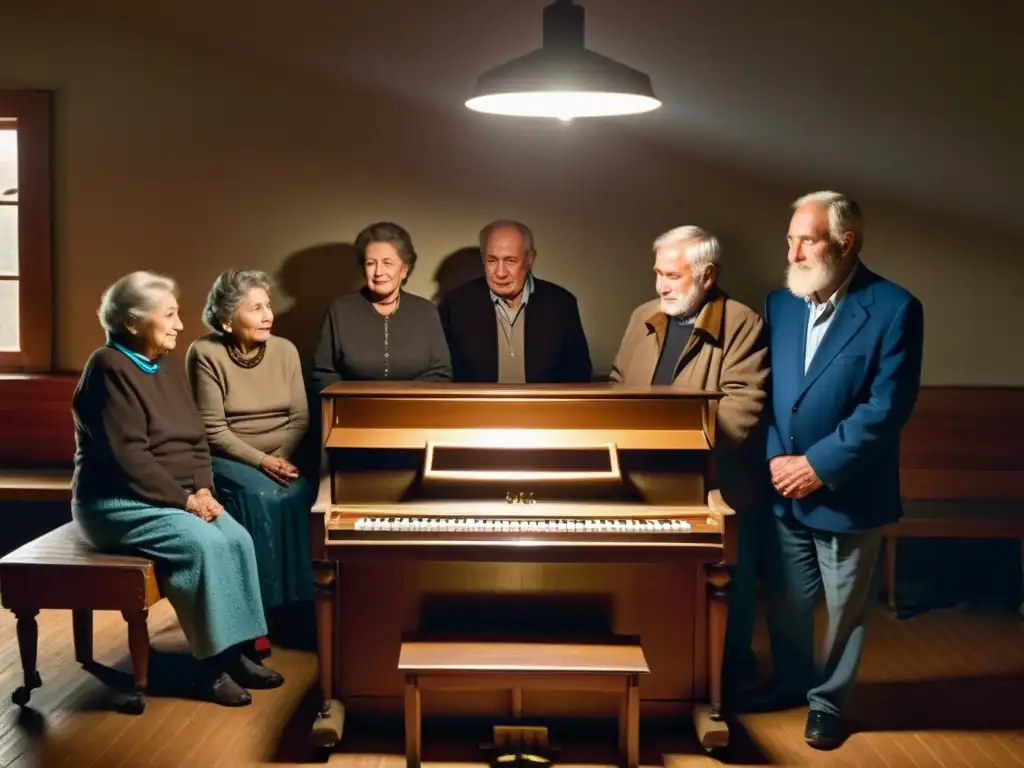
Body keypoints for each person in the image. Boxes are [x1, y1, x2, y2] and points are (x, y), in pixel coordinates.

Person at [748, 191, 924, 750]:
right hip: (782, 485)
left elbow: (885, 408)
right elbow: (767, 392)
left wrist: (817, 467)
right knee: (788, 603)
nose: (793, 250)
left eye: (807, 239)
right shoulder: (779, 304)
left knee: (846, 611)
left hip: (848, 490)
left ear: (845, 244)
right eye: (790, 239)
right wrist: (777, 457)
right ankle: (792, 682)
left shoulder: (895, 308)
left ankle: (827, 703)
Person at [71, 270, 284, 707]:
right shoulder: (108, 368)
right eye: (168, 315)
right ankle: (210, 670)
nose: (179, 325)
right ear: (132, 322)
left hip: (174, 496)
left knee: (238, 538)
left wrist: (204, 490)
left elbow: (196, 440)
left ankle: (237, 651)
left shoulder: (164, 366)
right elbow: (129, 460)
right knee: (204, 544)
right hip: (116, 503)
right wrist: (186, 500)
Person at [609, 225, 768, 688]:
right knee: (647, 598)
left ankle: (710, 687)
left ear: (707, 275)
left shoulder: (741, 322)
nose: (661, 286)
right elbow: (619, 385)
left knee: (713, 608)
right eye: (657, 273)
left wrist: (667, 444)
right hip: (640, 483)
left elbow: (742, 411)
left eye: (673, 276)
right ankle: (656, 684)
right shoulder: (644, 314)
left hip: (711, 485)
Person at [186, 269, 315, 651]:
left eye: (268, 306)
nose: (267, 316)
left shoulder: (285, 350)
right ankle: (258, 616)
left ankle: (299, 607)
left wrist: (280, 459)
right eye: (255, 308)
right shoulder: (205, 353)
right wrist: (261, 462)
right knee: (261, 497)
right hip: (230, 458)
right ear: (227, 319)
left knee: (300, 493)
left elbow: (300, 417)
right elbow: (213, 429)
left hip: (281, 458)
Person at [439, 219, 592, 383]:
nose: (500, 273)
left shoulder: (561, 304)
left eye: (510, 261)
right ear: (483, 259)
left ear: (529, 259)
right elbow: (444, 373)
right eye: (492, 261)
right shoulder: (456, 304)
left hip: (544, 408)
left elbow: (579, 373)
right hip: (478, 408)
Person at [310, 221, 452, 390]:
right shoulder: (340, 310)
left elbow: (441, 373)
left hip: (415, 412)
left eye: (387, 263)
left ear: (404, 270)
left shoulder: (425, 311)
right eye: (371, 263)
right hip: (354, 412)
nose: (378, 272)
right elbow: (323, 374)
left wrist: (403, 401)